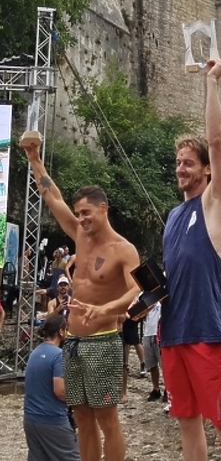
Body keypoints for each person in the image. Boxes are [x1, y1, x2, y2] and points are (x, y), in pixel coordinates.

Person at [20, 139, 141, 461]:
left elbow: (136, 290)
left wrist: (106, 308)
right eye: (78, 213)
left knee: (107, 419)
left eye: (86, 212)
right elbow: (52, 196)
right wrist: (34, 157)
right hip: (72, 341)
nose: (82, 218)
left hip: (103, 340)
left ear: (103, 208)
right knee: (83, 418)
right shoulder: (79, 235)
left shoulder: (123, 249)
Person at [158, 58, 221, 461]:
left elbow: (216, 142)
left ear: (207, 171)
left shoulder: (214, 206)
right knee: (187, 425)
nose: (181, 168)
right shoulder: (173, 217)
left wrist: (212, 83)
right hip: (172, 333)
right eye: (178, 162)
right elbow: (174, 276)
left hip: (206, 335)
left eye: (188, 163)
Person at [23, 314, 80, 461]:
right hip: (52, 420)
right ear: (61, 331)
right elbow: (60, 391)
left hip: (30, 419)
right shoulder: (59, 356)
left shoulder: (34, 353)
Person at [142, 301, 163, 402]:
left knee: (164, 364)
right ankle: (156, 389)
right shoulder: (145, 296)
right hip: (147, 332)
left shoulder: (162, 297)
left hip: (159, 333)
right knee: (151, 364)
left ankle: (169, 390)